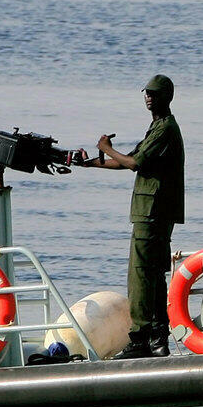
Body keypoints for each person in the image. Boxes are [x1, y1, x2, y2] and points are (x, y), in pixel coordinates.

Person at [82, 73, 185, 358]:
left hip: (152, 213)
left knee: (140, 276)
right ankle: (156, 337)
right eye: (146, 92)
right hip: (153, 212)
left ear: (165, 97)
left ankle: (142, 337)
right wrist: (91, 163)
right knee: (151, 274)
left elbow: (135, 163)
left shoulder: (165, 129)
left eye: (153, 93)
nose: (148, 96)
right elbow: (127, 159)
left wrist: (104, 148)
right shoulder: (157, 128)